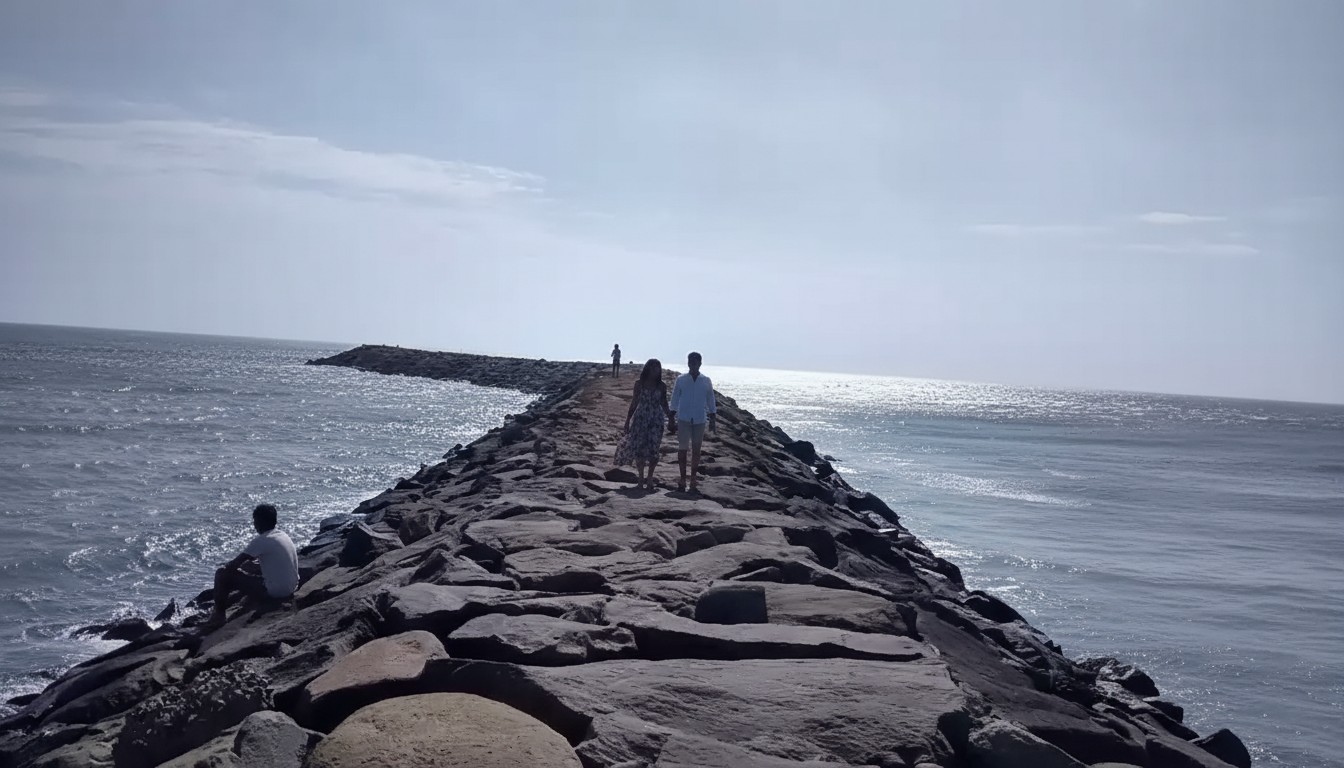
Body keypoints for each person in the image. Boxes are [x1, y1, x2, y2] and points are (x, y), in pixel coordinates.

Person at [204, 503, 299, 628]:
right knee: (250, 567)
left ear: (260, 522)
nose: (254, 525)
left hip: (276, 592)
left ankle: (218, 616)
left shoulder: (262, 540)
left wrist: (228, 566)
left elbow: (233, 566)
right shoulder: (282, 535)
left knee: (222, 573)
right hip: (291, 587)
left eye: (255, 521)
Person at [614, 359, 672, 490]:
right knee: (639, 448)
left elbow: (664, 404)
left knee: (654, 449)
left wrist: (671, 419)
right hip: (640, 419)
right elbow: (634, 402)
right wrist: (627, 420)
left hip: (656, 420)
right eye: (652, 368)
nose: (655, 371)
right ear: (647, 369)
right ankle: (640, 478)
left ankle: (650, 478)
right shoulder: (639, 384)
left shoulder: (662, 386)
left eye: (657, 368)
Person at [668, 351, 717, 493]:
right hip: (683, 418)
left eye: (696, 362)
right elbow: (675, 398)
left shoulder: (706, 380)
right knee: (682, 449)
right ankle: (682, 478)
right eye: (691, 361)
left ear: (700, 363)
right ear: (688, 363)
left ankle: (693, 478)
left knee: (696, 450)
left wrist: (713, 417)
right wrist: (671, 416)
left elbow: (710, 399)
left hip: (700, 419)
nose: (693, 364)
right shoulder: (681, 379)